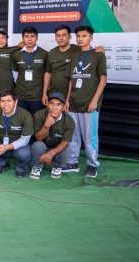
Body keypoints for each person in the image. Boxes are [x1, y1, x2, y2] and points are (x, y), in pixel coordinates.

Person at [65, 25, 108, 178]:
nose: (80, 39)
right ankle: (73, 162)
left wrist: (95, 101)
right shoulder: (74, 56)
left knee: (90, 138)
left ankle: (92, 165)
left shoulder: (98, 55)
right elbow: (71, 80)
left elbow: (103, 79)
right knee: (73, 136)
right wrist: (67, 100)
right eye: (78, 36)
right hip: (73, 104)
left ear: (91, 38)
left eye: (84, 36)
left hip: (89, 105)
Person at [0, 90, 33, 177]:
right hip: (1, 143)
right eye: (2, 101)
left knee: (24, 154)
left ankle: (21, 169)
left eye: (9, 101)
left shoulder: (25, 115)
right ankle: (2, 164)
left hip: (18, 146)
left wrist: (7, 147)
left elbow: (25, 139)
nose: (5, 104)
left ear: (15, 102)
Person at [30, 92, 75, 180]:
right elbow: (38, 138)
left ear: (63, 107)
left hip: (57, 148)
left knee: (66, 149)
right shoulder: (39, 115)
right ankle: (37, 166)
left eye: (58, 104)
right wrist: (46, 126)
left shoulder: (69, 121)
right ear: (47, 105)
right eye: (52, 103)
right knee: (37, 145)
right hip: (43, 146)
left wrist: (51, 153)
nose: (54, 107)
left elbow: (65, 143)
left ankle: (57, 166)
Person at [11, 26, 48, 115]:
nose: (29, 39)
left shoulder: (44, 54)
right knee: (21, 121)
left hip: (37, 97)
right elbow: (15, 75)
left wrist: (44, 94)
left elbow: (47, 74)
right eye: (26, 36)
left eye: (32, 36)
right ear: (23, 38)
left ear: (37, 38)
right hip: (20, 96)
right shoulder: (16, 55)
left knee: (36, 120)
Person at [43, 25, 80, 102]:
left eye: (64, 35)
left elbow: (90, 52)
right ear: (55, 38)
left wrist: (99, 49)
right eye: (58, 36)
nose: (61, 38)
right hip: (54, 94)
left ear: (70, 37)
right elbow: (48, 73)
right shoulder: (51, 52)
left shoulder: (78, 50)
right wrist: (44, 93)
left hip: (73, 95)